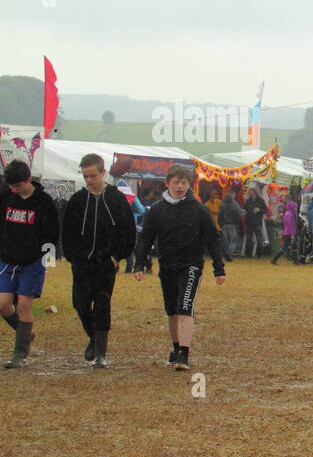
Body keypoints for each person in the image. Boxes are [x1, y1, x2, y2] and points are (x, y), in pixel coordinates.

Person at [131, 164, 226, 370]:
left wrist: (219, 267)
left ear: (188, 184)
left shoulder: (199, 209)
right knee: (172, 309)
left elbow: (212, 238)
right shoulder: (157, 210)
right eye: (176, 182)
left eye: (184, 182)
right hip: (167, 264)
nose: (180, 186)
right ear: (168, 183)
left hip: (191, 264)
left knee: (185, 306)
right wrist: (138, 263)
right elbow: (145, 238)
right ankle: (176, 348)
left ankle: (184, 352)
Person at [61, 153, 136, 367]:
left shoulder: (116, 199)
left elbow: (129, 232)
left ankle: (101, 354)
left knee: (102, 304)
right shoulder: (77, 200)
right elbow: (67, 232)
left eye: (93, 175)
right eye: (85, 176)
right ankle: (94, 338)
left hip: (106, 262)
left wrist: (116, 256)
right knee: (80, 304)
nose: (89, 180)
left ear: (103, 172)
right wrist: (73, 257)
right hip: (81, 262)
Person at [0, 160, 60, 368]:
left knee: (24, 305)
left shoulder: (44, 202)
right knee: (4, 305)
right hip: (7, 260)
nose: (13, 189)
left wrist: (48, 264)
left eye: (17, 186)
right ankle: (26, 333)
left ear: (28, 180)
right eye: (10, 186)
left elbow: (52, 235)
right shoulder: (6, 196)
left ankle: (19, 354)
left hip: (33, 262)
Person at [243, 183, 270, 257]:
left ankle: (259, 253)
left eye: (253, 193)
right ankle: (248, 253)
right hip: (249, 221)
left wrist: (259, 210)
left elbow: (266, 210)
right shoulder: (248, 201)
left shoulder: (260, 200)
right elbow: (244, 210)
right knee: (249, 238)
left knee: (259, 238)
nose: (252, 195)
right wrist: (246, 213)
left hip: (257, 221)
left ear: (255, 193)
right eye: (250, 194)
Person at [271, 196, 300, 265]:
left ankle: (295, 261)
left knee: (294, 246)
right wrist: (292, 234)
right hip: (289, 233)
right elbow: (291, 225)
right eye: (295, 207)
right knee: (285, 247)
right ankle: (274, 259)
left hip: (287, 233)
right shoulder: (290, 214)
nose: (296, 208)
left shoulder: (288, 213)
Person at [218, 192, 242, 261]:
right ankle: (229, 254)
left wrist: (221, 224)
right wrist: (237, 223)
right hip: (232, 225)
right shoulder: (234, 204)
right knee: (233, 240)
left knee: (226, 241)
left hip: (224, 225)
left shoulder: (222, 204)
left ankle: (226, 255)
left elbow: (220, 216)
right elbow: (238, 213)